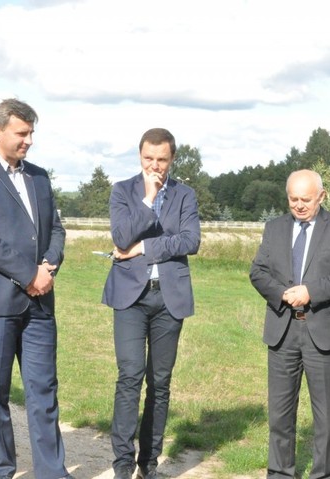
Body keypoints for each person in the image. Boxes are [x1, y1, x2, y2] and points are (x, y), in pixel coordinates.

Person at [0, 99, 71, 479]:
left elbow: (56, 229)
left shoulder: (39, 177)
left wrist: (48, 265)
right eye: (22, 133)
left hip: (40, 303)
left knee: (44, 391)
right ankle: (1, 472)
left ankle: (52, 472)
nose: (29, 141)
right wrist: (29, 274)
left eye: (31, 133)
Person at [102, 128, 201, 479]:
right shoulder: (122, 191)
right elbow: (121, 237)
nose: (155, 166)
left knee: (160, 382)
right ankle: (123, 464)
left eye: (161, 159)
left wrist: (143, 248)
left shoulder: (185, 195)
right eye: (148, 158)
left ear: (172, 159)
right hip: (130, 297)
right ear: (140, 156)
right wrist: (147, 199)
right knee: (130, 376)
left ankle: (149, 463)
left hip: (169, 298)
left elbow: (190, 241)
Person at [250, 169, 330, 479]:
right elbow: (258, 272)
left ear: (321, 196)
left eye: (306, 199)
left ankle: (325, 474)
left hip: (323, 332)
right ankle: (280, 473)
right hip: (282, 331)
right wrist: (282, 294)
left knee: (325, 415)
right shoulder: (274, 228)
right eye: (293, 199)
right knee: (280, 413)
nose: (299, 205)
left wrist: (311, 292)